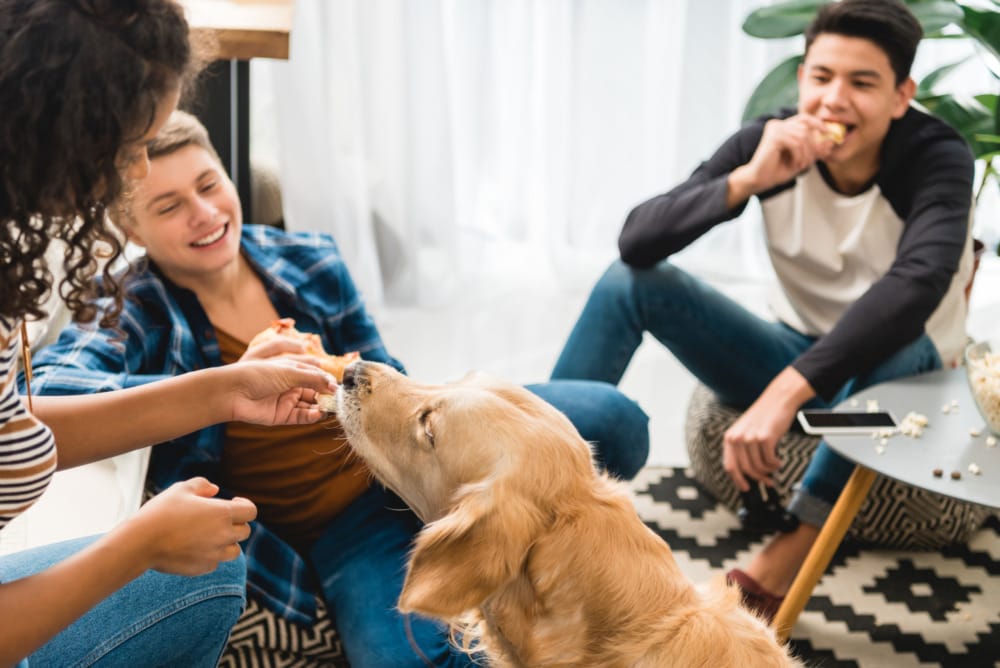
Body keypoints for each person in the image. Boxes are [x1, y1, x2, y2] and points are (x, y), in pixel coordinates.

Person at [26, 110, 651, 667]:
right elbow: (52, 389)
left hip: (423, 452)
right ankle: (500, 556)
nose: (205, 213)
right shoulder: (128, 307)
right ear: (132, 231)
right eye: (168, 207)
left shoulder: (309, 258)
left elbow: (391, 375)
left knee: (616, 421)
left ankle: (519, 546)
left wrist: (353, 376)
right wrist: (217, 384)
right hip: (346, 526)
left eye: (209, 184)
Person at [550, 0, 975, 622]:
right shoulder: (770, 142)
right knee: (629, 283)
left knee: (893, 335)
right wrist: (745, 180)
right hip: (794, 349)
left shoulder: (937, 156)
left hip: (901, 376)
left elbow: (915, 288)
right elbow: (637, 242)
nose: (834, 99)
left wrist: (781, 398)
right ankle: (545, 485)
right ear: (802, 76)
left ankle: (795, 545)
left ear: (901, 95)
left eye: (862, 83)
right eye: (822, 76)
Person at [0, 2, 339, 666]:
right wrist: (137, 546)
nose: (131, 173)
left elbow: (13, 427)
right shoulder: (134, 302)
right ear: (58, 126)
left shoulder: (307, 260)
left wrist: (225, 390)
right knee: (204, 581)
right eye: (129, 150)